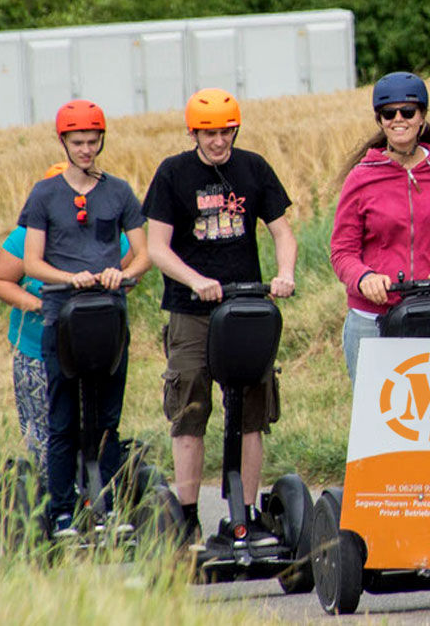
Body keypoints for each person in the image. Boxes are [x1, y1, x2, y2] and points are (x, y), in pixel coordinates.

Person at [142, 88, 297, 547]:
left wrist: (284, 273)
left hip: (246, 305)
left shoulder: (253, 168)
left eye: (226, 131)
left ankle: (243, 515)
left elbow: (282, 232)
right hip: (192, 310)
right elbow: (156, 248)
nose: (218, 141)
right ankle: (186, 517)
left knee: (252, 409)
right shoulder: (173, 173)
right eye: (209, 133)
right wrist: (194, 280)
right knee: (190, 405)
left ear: (236, 128)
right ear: (193, 132)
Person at [18, 101, 151, 536]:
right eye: (78, 142)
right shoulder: (44, 195)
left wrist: (122, 272)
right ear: (63, 142)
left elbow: (144, 253)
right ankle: (61, 511)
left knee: (107, 418)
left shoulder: (119, 192)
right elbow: (32, 262)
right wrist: (69, 277)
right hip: (63, 319)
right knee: (63, 420)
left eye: (93, 142)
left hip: (108, 319)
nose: (87, 150)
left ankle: (108, 505)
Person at [329, 72, 430, 384]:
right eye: (389, 113)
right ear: (380, 120)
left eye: (408, 112)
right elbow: (342, 250)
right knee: (377, 416)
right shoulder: (362, 177)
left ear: (422, 116)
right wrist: (364, 278)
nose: (398, 120)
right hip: (373, 317)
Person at [0, 162, 132, 486]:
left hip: (93, 347)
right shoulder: (24, 237)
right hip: (39, 346)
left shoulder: (107, 233)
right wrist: (43, 305)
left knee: (96, 427)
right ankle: (55, 503)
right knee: (52, 432)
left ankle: (96, 495)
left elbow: (128, 264)